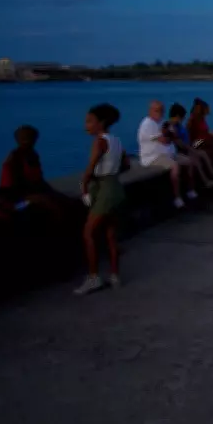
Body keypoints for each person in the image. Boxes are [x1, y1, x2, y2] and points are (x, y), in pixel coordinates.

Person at [77, 103, 129, 295]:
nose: (86, 125)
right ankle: (115, 275)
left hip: (104, 189)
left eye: (90, 121)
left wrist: (83, 188)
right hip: (115, 187)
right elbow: (127, 165)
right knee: (110, 234)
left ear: (101, 123)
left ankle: (94, 277)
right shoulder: (116, 140)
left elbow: (90, 168)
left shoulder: (99, 141)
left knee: (88, 233)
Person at [0, 125, 69, 217]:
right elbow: (15, 186)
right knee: (51, 205)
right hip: (16, 198)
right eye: (28, 138)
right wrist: (36, 195)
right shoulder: (15, 157)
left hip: (30, 191)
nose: (33, 141)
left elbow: (38, 179)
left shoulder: (32, 154)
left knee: (63, 200)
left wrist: (49, 191)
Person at [138, 100, 197, 209]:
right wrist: (169, 135)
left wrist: (171, 134)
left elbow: (173, 136)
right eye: (156, 111)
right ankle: (177, 198)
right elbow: (164, 140)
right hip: (154, 156)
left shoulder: (163, 122)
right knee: (175, 167)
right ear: (150, 111)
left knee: (189, 162)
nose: (159, 113)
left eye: (161, 111)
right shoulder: (147, 124)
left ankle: (190, 190)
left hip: (169, 153)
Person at [167, 103, 213, 188]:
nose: (183, 118)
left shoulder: (198, 120)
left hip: (192, 144)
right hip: (186, 148)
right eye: (182, 117)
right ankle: (206, 181)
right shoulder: (174, 126)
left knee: (203, 153)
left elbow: (204, 132)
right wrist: (192, 148)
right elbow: (179, 142)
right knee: (196, 158)